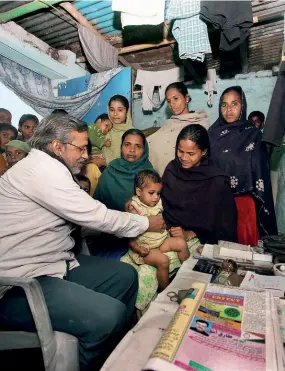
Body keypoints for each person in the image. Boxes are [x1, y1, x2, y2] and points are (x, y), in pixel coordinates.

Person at [0, 114, 164, 371]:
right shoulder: (40, 171)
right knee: (109, 316)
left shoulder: (52, 168)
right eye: (81, 148)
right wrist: (146, 223)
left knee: (125, 275)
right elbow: (97, 216)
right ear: (57, 147)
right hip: (19, 283)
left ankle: (104, 351)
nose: (86, 154)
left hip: (53, 265)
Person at [208, 86, 277, 246]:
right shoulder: (211, 134)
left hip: (243, 204)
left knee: (243, 252)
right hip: (215, 201)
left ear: (242, 106)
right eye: (224, 105)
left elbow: (260, 170)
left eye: (234, 104)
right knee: (217, 252)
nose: (229, 109)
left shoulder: (252, 135)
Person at [162, 124, 237, 245]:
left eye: (191, 153)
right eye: (180, 151)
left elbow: (223, 225)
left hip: (203, 240)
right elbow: (163, 207)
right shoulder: (172, 169)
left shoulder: (217, 181)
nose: (184, 157)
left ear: (204, 152)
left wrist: (190, 233)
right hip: (168, 232)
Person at [128, 170, 189, 289]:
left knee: (181, 243)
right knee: (163, 261)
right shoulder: (134, 208)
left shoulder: (156, 201)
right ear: (139, 191)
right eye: (151, 193)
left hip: (161, 241)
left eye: (158, 193)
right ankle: (165, 291)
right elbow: (127, 233)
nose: (156, 197)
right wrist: (137, 247)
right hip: (146, 247)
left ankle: (188, 275)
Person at [147, 82, 210, 176]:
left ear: (186, 98)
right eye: (168, 101)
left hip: (184, 175)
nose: (172, 104)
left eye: (176, 98)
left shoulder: (199, 122)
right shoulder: (171, 122)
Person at [95, 129, 153, 211]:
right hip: (110, 221)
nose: (132, 150)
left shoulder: (151, 175)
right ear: (121, 147)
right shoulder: (111, 170)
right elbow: (97, 206)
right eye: (127, 145)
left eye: (138, 146)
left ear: (144, 150)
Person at [103, 95, 133, 164]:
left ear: (127, 112)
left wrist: (103, 162)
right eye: (112, 110)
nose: (115, 114)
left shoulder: (133, 134)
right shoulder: (105, 131)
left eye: (120, 110)